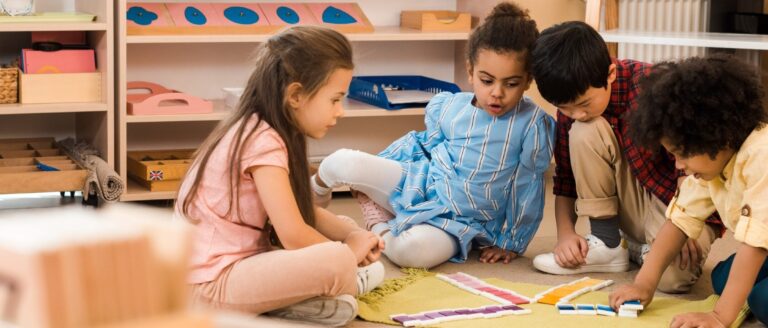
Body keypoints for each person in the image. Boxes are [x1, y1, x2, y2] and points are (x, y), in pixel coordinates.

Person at [312, 1, 555, 269]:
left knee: (411, 252)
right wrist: (379, 166)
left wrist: (512, 241)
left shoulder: (531, 123)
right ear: (470, 71)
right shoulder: (450, 106)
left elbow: (527, 188)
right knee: (341, 161)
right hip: (421, 184)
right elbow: (419, 146)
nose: (497, 92)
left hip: (462, 222)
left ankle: (376, 226)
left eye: (511, 83)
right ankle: (307, 201)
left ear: (528, 80)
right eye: (487, 81)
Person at [174, 26, 385, 327]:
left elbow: (300, 213)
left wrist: (352, 236)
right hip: (209, 285)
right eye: (335, 99)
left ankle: (302, 299)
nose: (341, 111)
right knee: (337, 260)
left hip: (234, 269)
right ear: (296, 95)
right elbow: (294, 235)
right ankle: (344, 283)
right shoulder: (262, 140)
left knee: (346, 229)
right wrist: (349, 253)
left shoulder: (266, 129)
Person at [529, 21, 722, 293]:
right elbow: (565, 180)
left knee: (672, 279)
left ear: (610, 74)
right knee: (583, 131)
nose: (575, 114)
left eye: (584, 104)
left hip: (678, 200)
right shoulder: (574, 112)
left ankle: (638, 248)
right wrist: (565, 235)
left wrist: (686, 221)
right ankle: (607, 242)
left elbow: (690, 168)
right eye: (564, 108)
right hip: (631, 200)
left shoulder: (653, 87)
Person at [610, 54, 768, 327]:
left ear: (719, 135)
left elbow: (755, 246)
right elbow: (679, 221)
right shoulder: (715, 161)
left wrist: (720, 317)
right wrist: (643, 285)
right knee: (722, 277)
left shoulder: (762, 155)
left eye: (682, 154)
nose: (679, 165)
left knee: (761, 300)